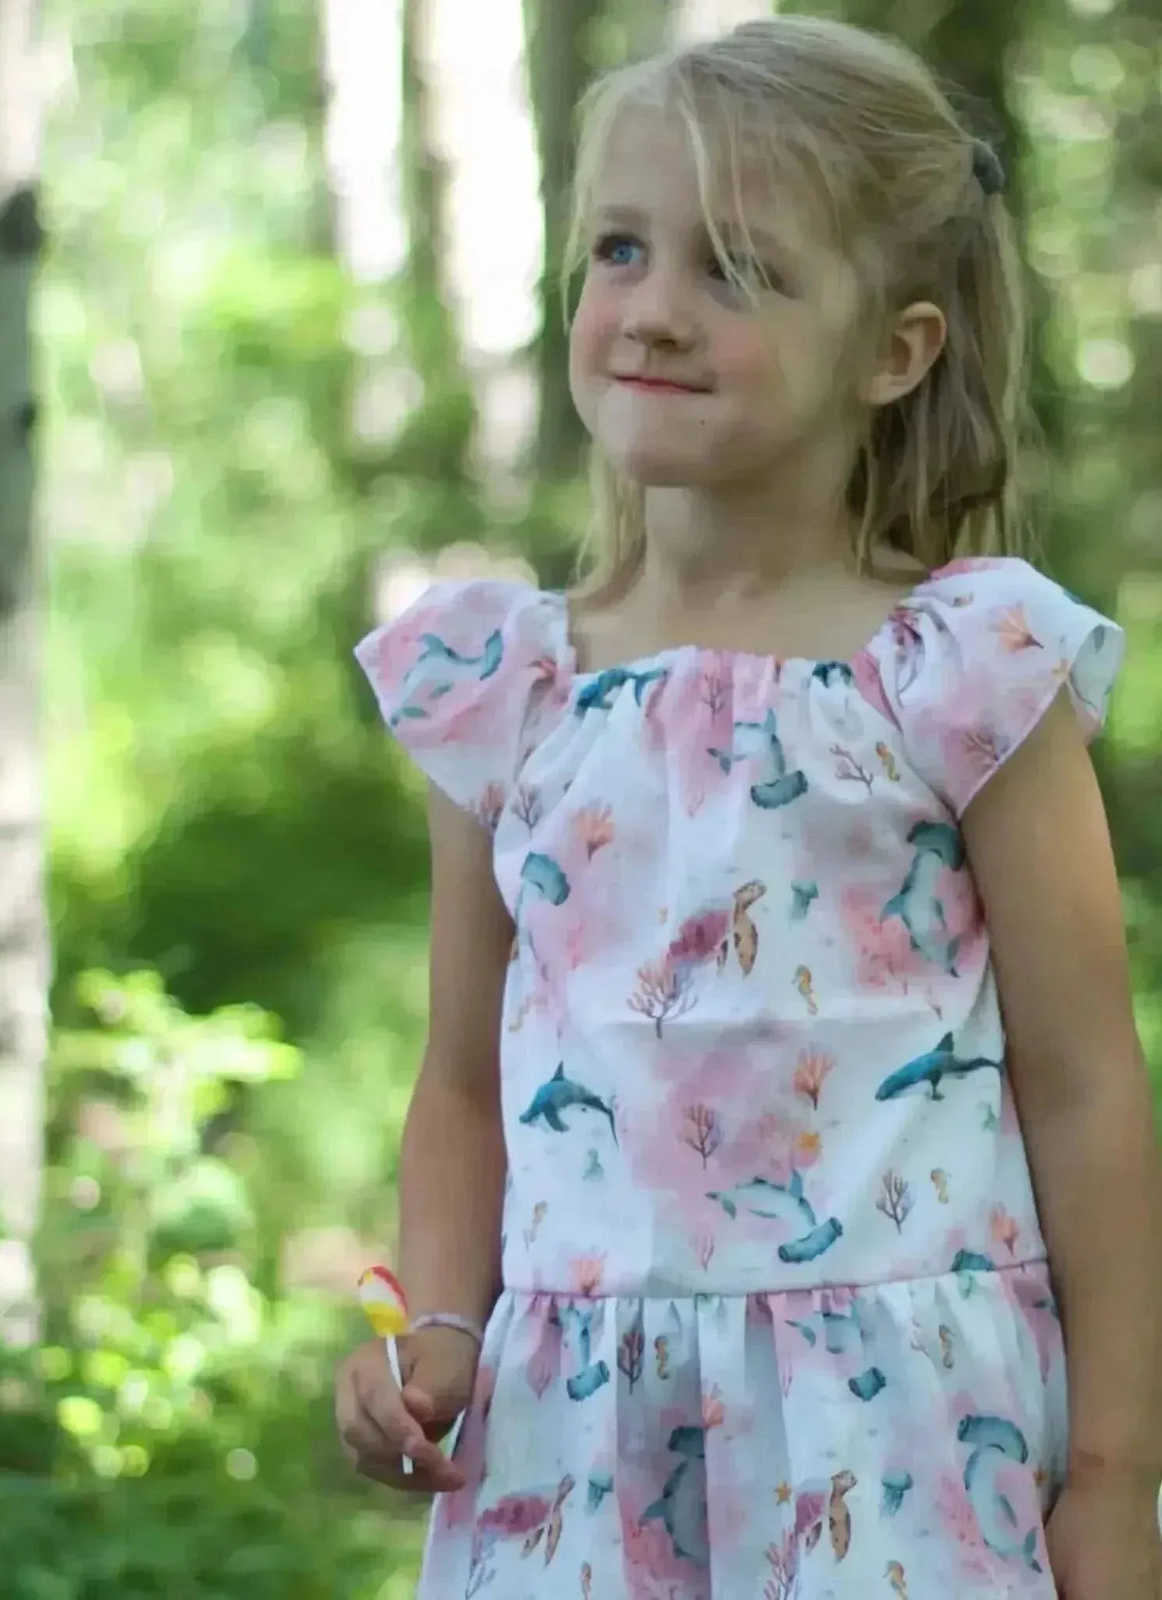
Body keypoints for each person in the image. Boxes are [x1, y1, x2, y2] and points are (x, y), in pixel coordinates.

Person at [336, 14, 1161, 1598]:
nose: (649, 311)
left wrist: (1117, 1481)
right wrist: (435, 1322)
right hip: (576, 1456)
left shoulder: (964, 671)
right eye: (623, 251)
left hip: (904, 1440)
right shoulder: (505, 689)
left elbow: (1085, 1088)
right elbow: (458, 1085)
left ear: (893, 351)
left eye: (736, 270)